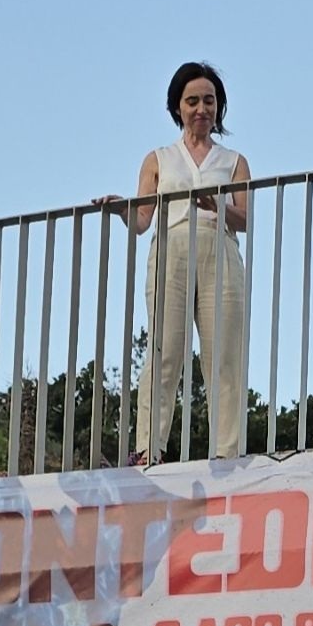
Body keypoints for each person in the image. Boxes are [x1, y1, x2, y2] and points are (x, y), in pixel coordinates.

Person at [95, 62, 252, 463]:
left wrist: (215, 203)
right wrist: (120, 211)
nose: (202, 108)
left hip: (219, 245)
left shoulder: (233, 160)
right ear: (178, 107)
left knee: (224, 354)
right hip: (172, 245)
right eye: (193, 100)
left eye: (209, 101)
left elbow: (245, 219)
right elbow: (143, 221)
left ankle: (227, 451)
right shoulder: (159, 159)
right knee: (164, 350)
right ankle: (150, 446)